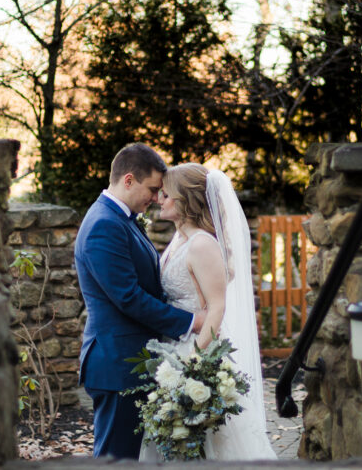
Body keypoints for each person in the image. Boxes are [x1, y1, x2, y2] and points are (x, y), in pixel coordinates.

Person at [74, 143, 206, 459]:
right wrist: (189, 321)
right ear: (129, 180)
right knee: (116, 458)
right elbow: (128, 297)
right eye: (152, 189)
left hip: (131, 361)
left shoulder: (122, 218)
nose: (157, 197)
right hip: (117, 364)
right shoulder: (104, 225)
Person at [139, 163, 277, 461]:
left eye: (167, 195)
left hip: (197, 349)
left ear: (186, 200)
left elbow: (217, 307)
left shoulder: (202, 244)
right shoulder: (180, 239)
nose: (159, 200)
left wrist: (194, 364)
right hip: (174, 345)